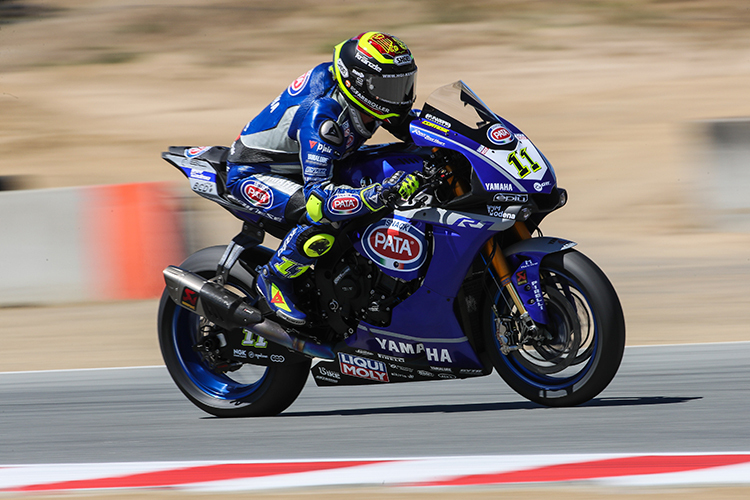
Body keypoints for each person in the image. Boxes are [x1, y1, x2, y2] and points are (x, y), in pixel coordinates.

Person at [225, 32, 421, 326]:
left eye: (403, 85)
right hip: (257, 172)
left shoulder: (370, 98)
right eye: (388, 86)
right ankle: (273, 278)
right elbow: (319, 199)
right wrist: (376, 195)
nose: (399, 96)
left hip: (310, 161)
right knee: (322, 220)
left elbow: (414, 129)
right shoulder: (324, 115)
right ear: (357, 81)